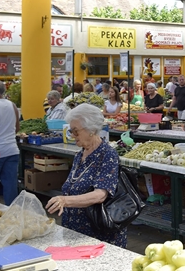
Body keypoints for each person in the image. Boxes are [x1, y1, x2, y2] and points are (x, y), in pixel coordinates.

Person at [45, 104, 126, 247]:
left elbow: (100, 194)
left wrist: (65, 201)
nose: (72, 135)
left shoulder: (107, 155)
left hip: (98, 236)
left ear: (91, 130)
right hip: (75, 232)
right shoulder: (80, 155)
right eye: (71, 131)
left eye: (75, 131)